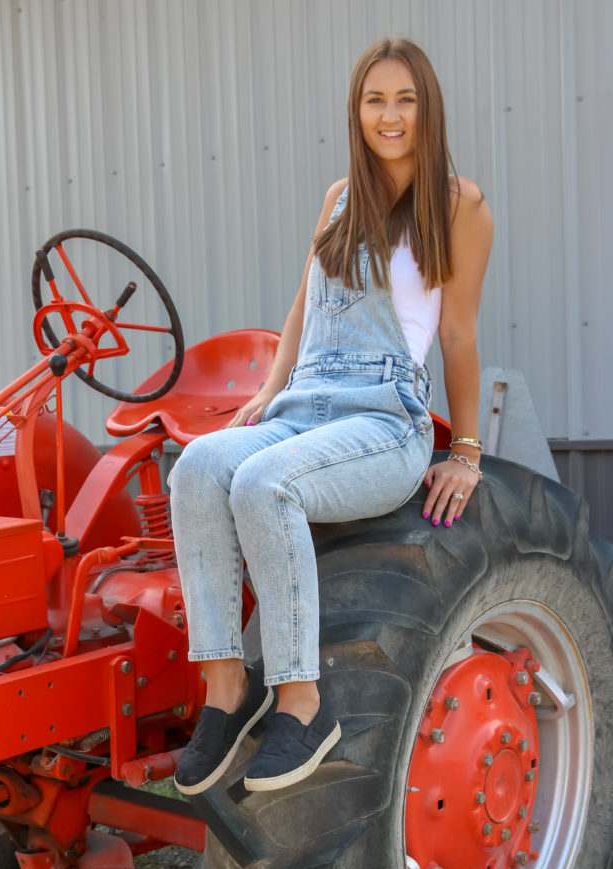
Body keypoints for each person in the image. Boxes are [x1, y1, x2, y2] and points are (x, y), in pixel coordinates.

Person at [169, 37, 494, 796]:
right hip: (304, 401)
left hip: (386, 417)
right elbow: (300, 308)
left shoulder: (459, 204)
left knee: (264, 485)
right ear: (357, 111)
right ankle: (226, 688)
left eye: (405, 100)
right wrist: (265, 391)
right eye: (375, 100)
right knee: (198, 467)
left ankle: (303, 704)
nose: (390, 116)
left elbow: (458, 333)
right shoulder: (339, 197)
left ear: (428, 110)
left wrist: (468, 450)